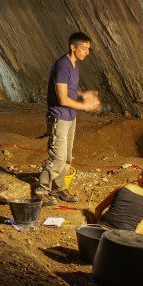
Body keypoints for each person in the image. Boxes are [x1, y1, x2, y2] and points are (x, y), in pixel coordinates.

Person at [35, 32, 101, 204]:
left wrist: (83, 94)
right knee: (57, 157)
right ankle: (41, 191)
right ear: (73, 47)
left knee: (67, 158)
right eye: (84, 48)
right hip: (59, 117)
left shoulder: (74, 64)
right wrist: (86, 106)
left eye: (88, 49)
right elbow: (63, 99)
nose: (87, 52)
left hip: (70, 117)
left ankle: (58, 188)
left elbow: (67, 89)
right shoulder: (63, 65)